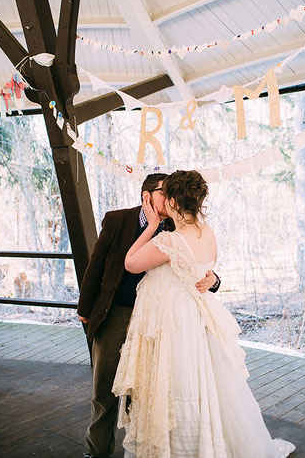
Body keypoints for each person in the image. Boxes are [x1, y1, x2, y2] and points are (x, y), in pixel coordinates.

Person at [114, 170, 295, 457]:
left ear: (172, 201)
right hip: (193, 319)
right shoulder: (207, 233)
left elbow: (131, 263)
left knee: (174, 384)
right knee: (199, 382)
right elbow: (199, 271)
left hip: (171, 321)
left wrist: (150, 227)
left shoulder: (171, 241)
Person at [78, 173, 220, 458]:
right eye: (163, 192)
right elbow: (95, 267)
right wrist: (85, 309)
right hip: (117, 312)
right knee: (104, 389)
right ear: (147, 196)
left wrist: (215, 280)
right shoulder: (118, 220)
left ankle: (140, 445)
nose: (169, 199)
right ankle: (96, 451)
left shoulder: (178, 226)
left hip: (157, 323)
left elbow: (198, 267)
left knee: (143, 389)